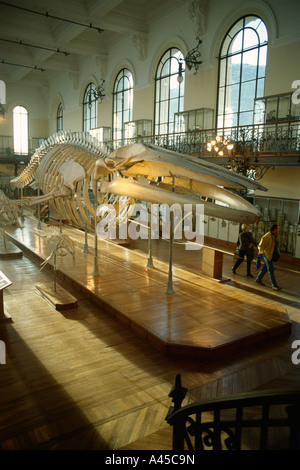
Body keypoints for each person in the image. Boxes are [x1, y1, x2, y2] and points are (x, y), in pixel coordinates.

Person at [255, 224, 281, 291]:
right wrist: (260, 253)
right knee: (271, 269)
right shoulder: (267, 236)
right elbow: (260, 245)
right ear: (274, 229)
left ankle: (258, 279)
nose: (279, 230)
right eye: (278, 229)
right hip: (267, 255)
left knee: (266, 268)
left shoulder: (274, 236)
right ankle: (274, 285)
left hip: (271, 254)